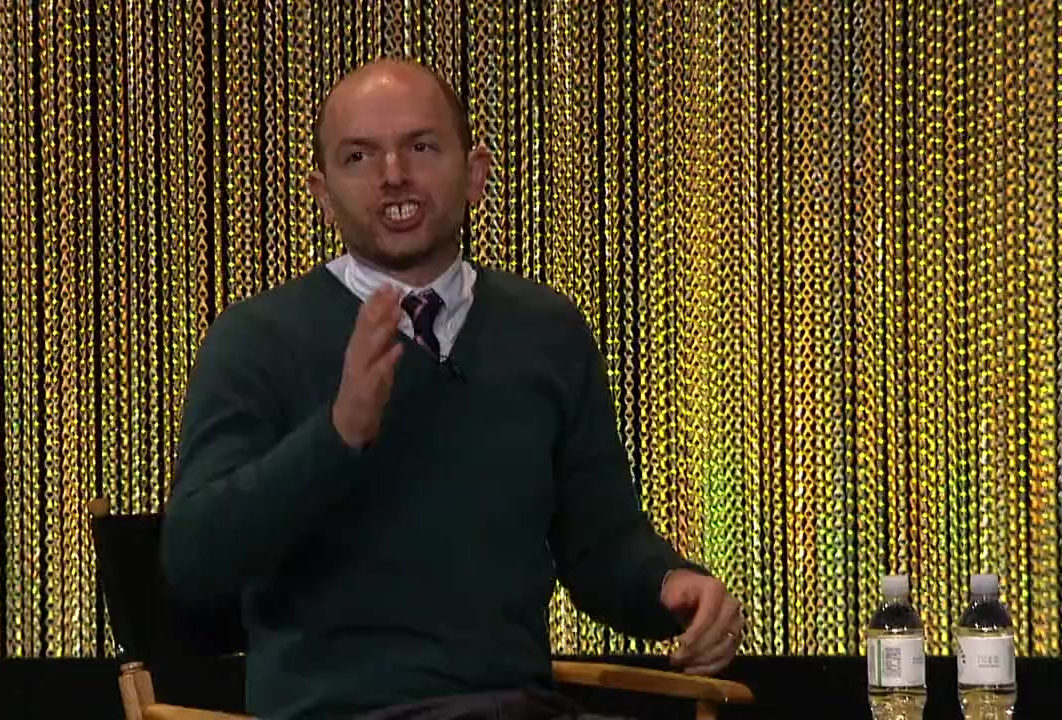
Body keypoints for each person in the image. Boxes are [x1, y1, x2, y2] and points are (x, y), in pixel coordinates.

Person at [161, 58, 745, 720]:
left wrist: (669, 584)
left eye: (421, 147)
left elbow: (599, 543)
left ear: (475, 174)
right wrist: (336, 435)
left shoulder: (545, 331)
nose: (393, 175)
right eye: (359, 156)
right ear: (322, 194)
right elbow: (194, 560)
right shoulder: (258, 338)